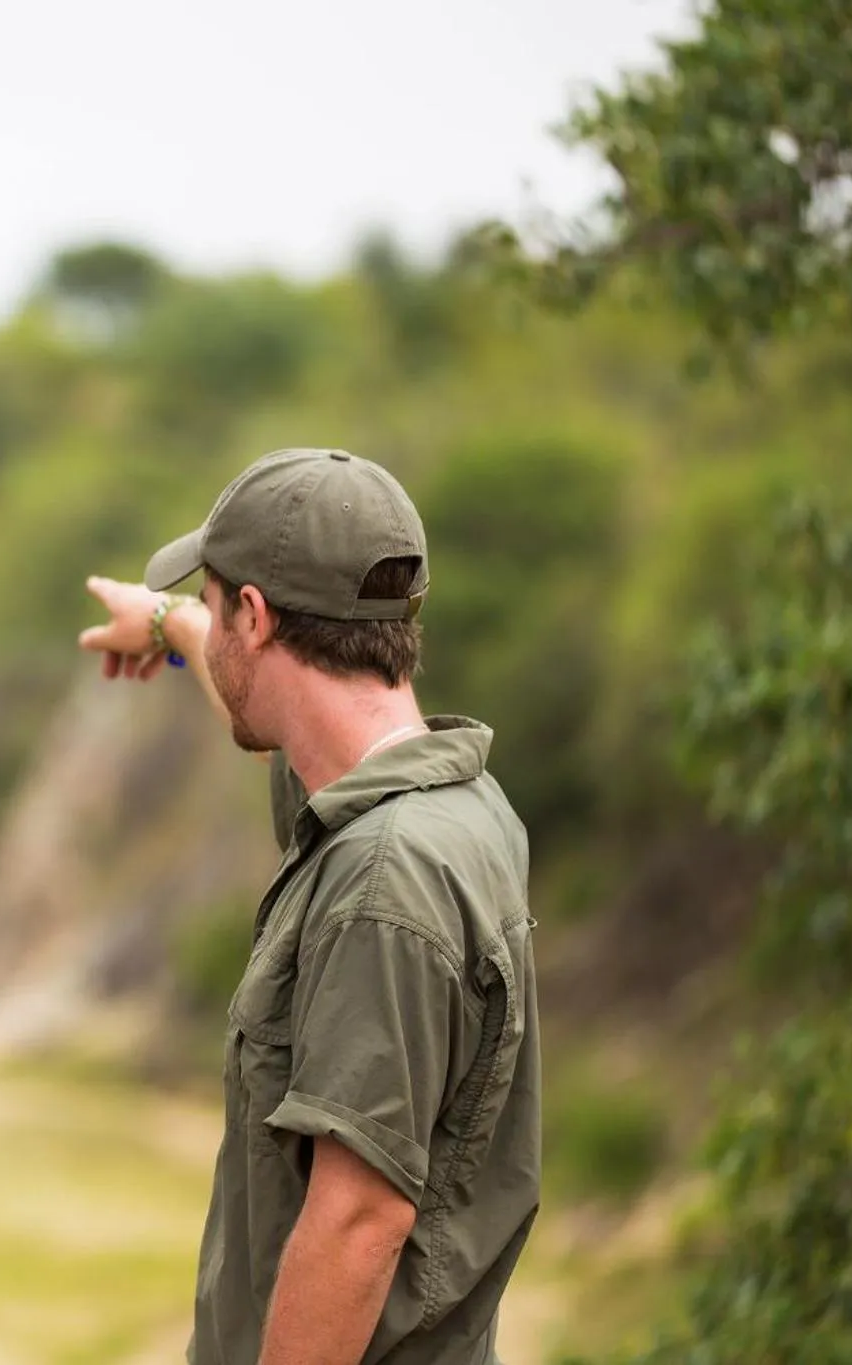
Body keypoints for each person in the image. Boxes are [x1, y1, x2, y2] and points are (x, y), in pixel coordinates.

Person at [79, 447, 540, 1365]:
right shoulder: (450, 804)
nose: (208, 625)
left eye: (215, 605)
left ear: (254, 613)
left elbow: (359, 1218)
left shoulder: (383, 881)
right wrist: (171, 622)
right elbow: (280, 723)